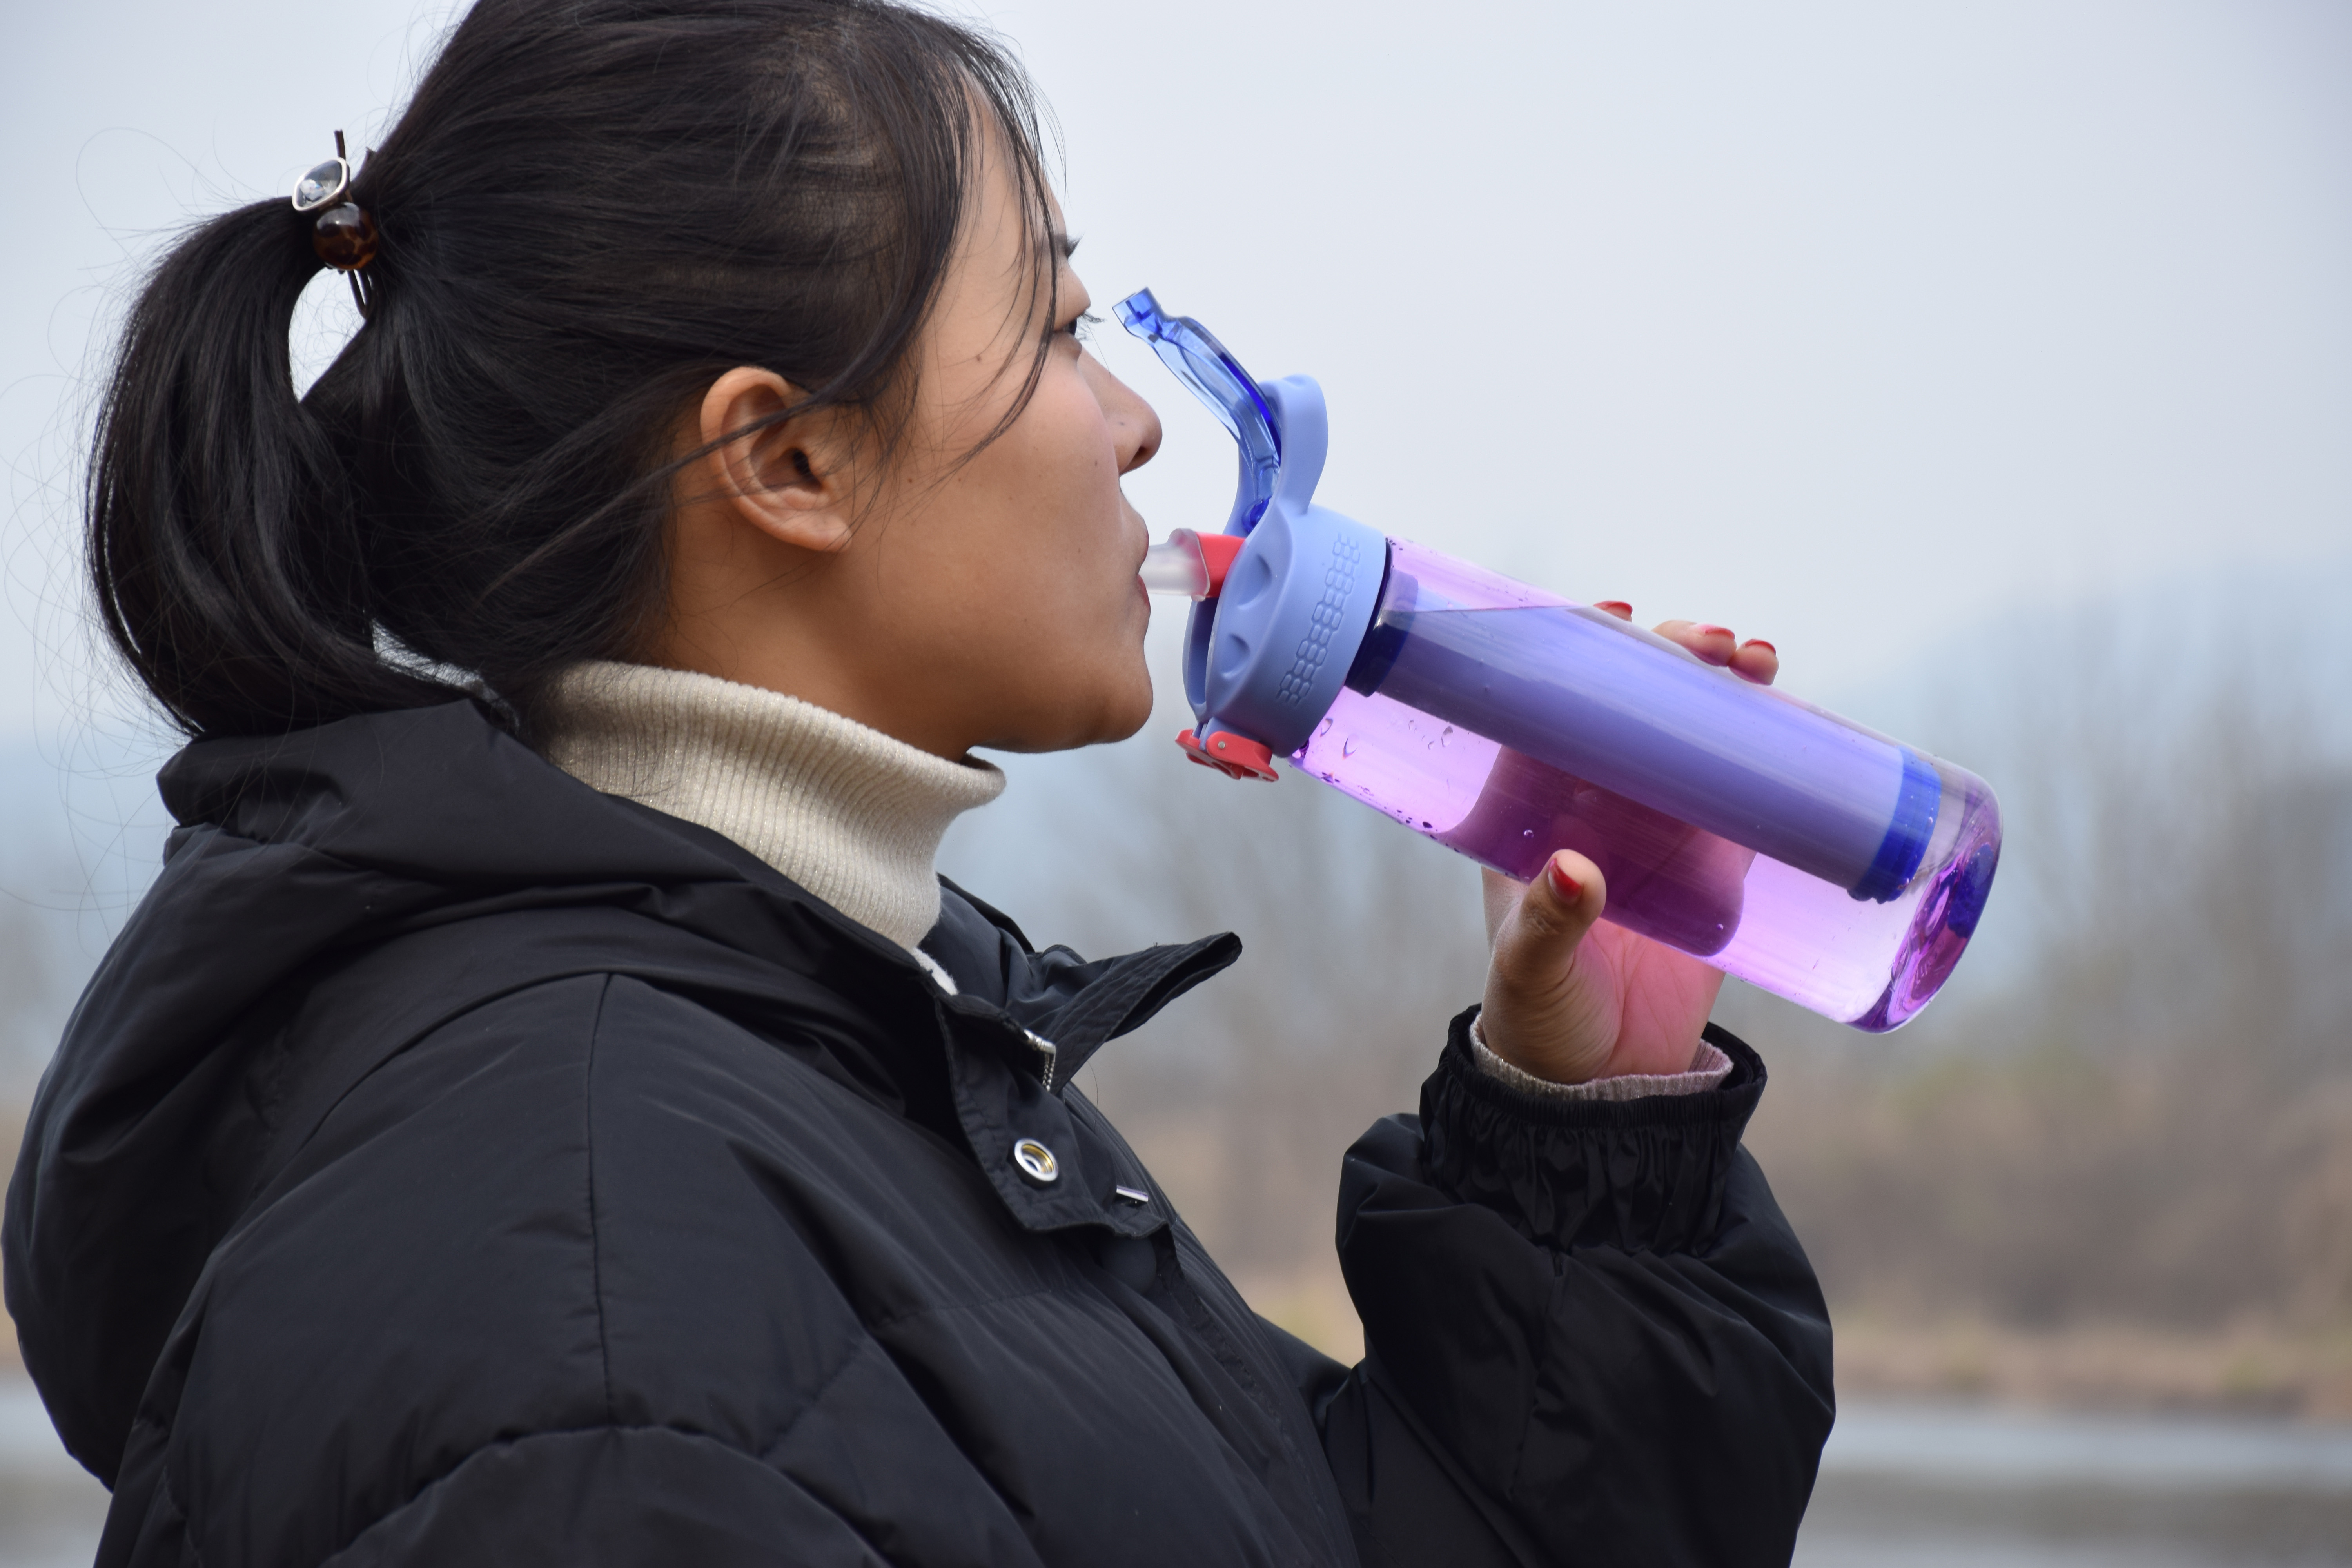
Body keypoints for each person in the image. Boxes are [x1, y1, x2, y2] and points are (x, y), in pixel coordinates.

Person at [3, 2, 1833, 1563]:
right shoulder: (603, 1312)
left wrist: (1586, 1119)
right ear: (789, 458)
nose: (1131, 422)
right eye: (1055, 326)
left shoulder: (851, 1048)